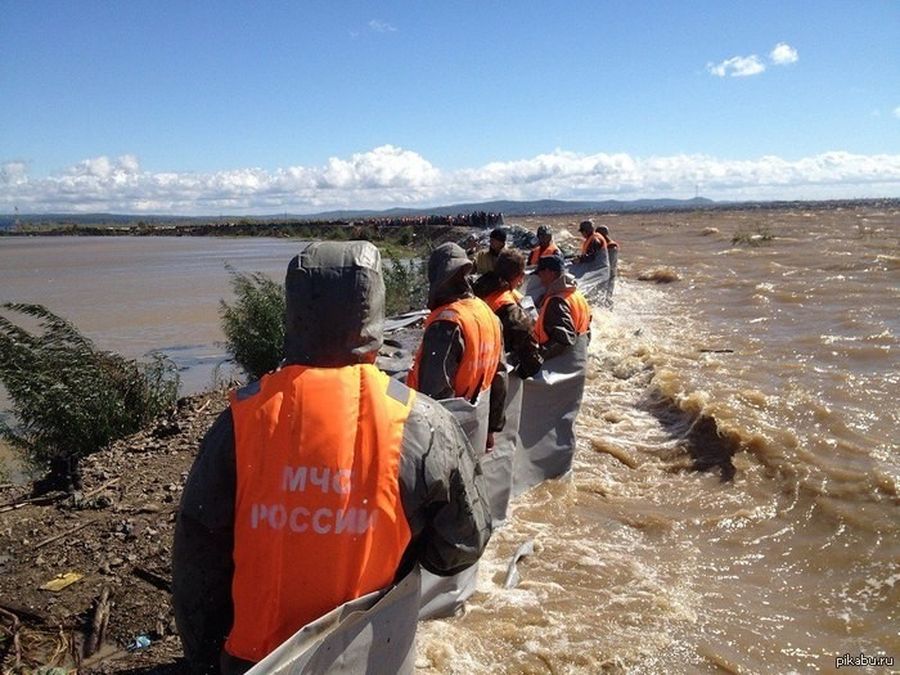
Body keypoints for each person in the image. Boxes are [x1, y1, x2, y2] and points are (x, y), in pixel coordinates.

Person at [172, 241, 492, 674]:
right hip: (370, 655)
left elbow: (197, 562)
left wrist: (206, 658)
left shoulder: (239, 421)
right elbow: (459, 547)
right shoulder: (422, 421)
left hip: (255, 661)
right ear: (374, 315)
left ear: (294, 313)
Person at [407, 242, 506, 449]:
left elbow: (434, 396)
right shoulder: (488, 313)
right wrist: (491, 428)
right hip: (476, 428)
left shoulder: (447, 323)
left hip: (446, 439)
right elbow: (500, 376)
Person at [474, 249, 543, 379]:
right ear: (521, 276)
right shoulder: (512, 311)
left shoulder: (476, 289)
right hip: (489, 372)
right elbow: (531, 365)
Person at [533, 255, 591, 360]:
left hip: (558, 365)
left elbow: (563, 339)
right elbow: (587, 328)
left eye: (540, 273)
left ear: (550, 272)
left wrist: (535, 357)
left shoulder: (556, 301)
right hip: (578, 358)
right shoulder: (577, 295)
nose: (539, 278)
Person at [596, 224, 619, 307]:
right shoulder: (609, 244)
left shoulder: (611, 246)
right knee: (606, 294)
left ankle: (608, 309)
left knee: (607, 295)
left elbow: (608, 263)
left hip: (609, 274)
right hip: (609, 273)